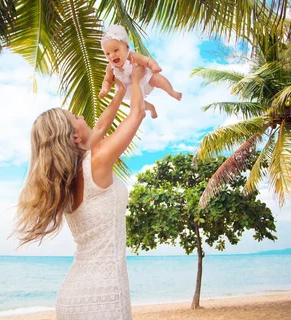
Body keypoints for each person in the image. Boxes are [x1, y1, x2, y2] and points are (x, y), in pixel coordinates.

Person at [13, 60, 148, 320]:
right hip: (103, 298)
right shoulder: (95, 163)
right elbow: (137, 114)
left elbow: (101, 127)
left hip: (74, 296)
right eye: (77, 117)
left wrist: (121, 91)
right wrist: (138, 77)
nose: (84, 117)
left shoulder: (66, 179)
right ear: (74, 136)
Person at [99, 24, 182, 119]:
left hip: (144, 77)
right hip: (130, 87)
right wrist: (105, 89)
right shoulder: (110, 67)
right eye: (107, 53)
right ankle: (151, 108)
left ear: (126, 47)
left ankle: (171, 91)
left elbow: (147, 60)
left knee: (158, 79)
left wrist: (154, 66)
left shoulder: (132, 56)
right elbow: (107, 80)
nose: (112, 56)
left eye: (116, 50)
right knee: (137, 104)